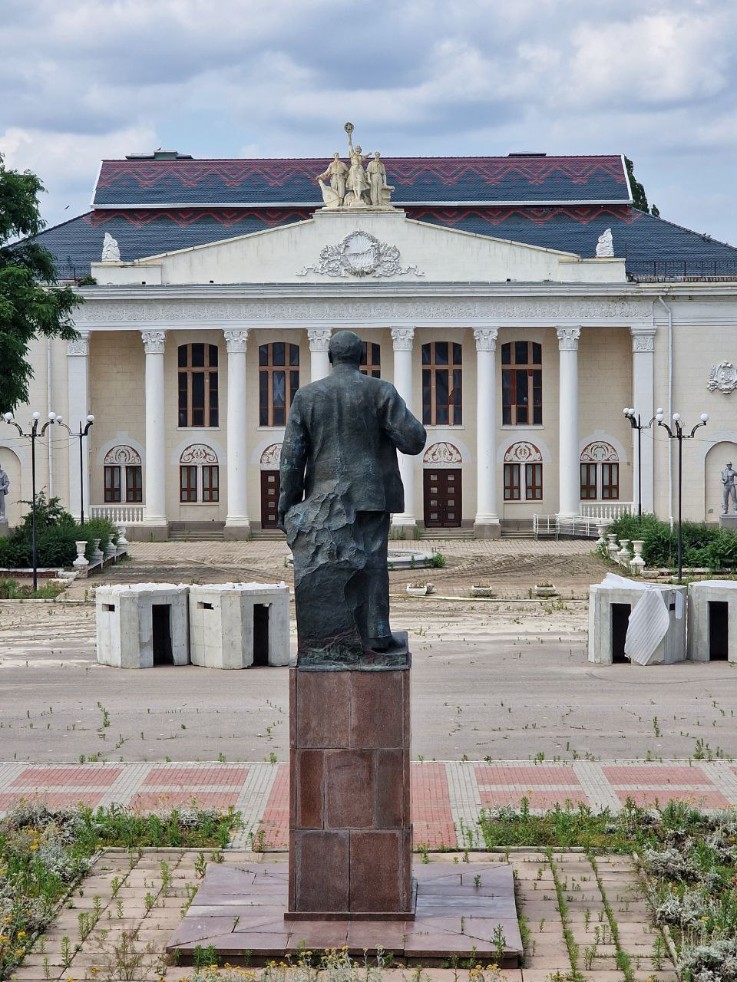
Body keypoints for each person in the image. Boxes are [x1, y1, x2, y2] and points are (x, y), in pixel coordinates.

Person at [278, 331, 426, 657]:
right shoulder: (381, 391)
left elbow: (291, 455)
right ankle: (376, 631)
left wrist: (286, 503)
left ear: (331, 358)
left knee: (329, 566)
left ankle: (330, 636)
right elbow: (414, 440)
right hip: (372, 493)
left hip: (324, 500)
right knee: (374, 561)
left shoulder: (307, 396)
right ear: (361, 357)